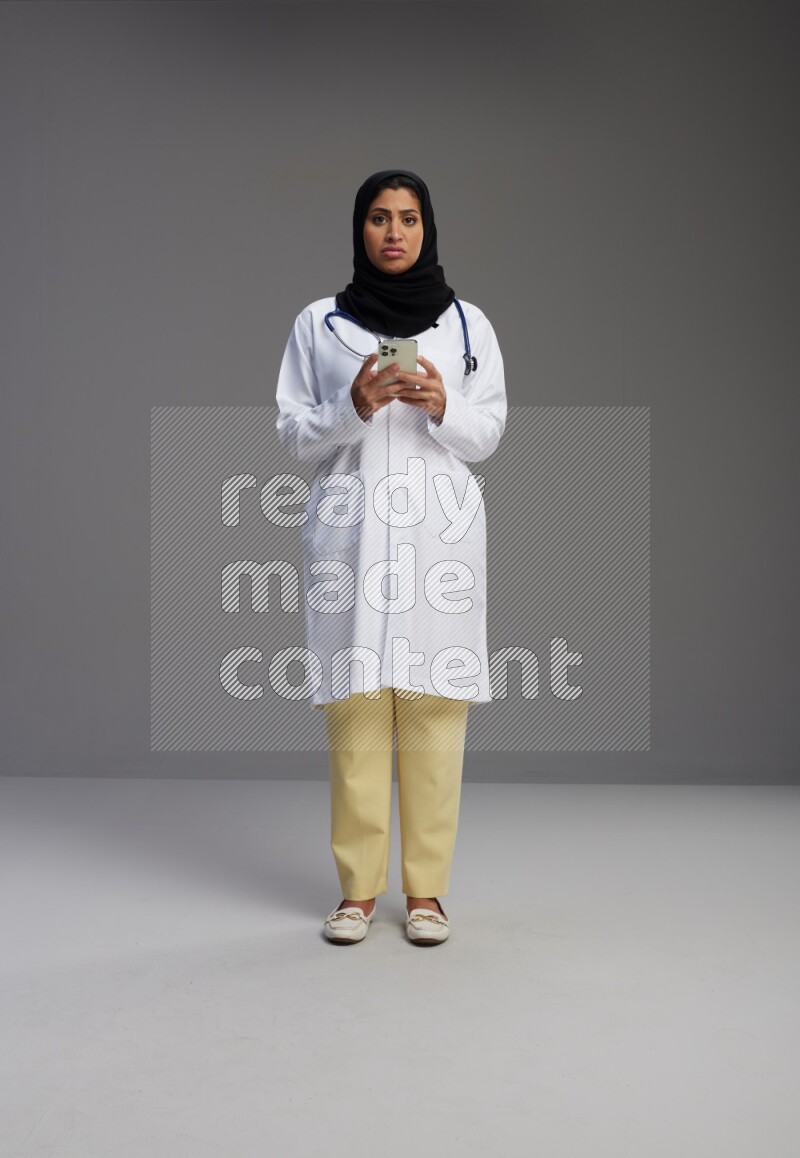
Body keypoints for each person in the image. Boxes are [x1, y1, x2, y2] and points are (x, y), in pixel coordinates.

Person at [275, 169, 507, 945]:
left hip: (437, 538)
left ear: (427, 227)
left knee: (436, 713)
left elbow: (491, 433)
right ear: (360, 230)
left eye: (408, 218)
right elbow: (292, 432)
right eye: (379, 218)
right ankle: (357, 894)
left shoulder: (466, 324)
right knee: (358, 715)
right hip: (352, 536)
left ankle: (428, 894)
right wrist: (355, 409)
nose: (394, 232)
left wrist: (443, 407)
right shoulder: (320, 324)